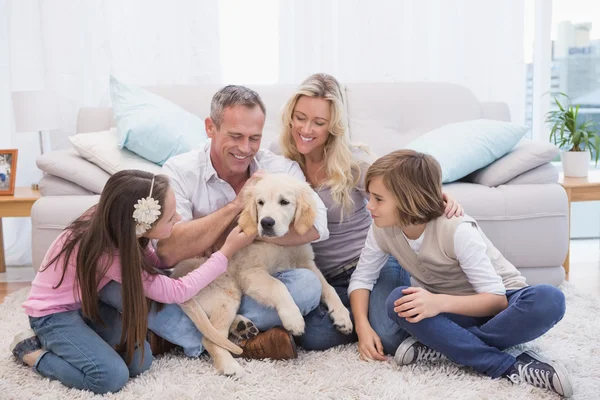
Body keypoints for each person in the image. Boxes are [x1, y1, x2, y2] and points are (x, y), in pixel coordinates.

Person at [100, 85, 331, 361]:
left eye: (254, 138)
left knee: (306, 287)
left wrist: (246, 234)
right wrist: (236, 206)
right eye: (235, 136)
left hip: (257, 277)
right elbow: (167, 250)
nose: (246, 149)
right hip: (203, 284)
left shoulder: (279, 168)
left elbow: (318, 225)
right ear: (210, 128)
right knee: (153, 289)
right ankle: (243, 339)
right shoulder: (180, 171)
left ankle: (185, 331)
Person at [349, 149, 573, 397]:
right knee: (398, 301)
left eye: (378, 199)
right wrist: (363, 327)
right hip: (453, 311)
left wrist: (436, 302)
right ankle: (508, 365)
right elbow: (362, 278)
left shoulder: (457, 229)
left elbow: (496, 301)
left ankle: (453, 347)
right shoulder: (381, 228)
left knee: (549, 299)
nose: (369, 206)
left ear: (408, 199)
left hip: (502, 304)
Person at [9, 170, 255, 394]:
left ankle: (76, 343)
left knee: (141, 361)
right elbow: (176, 292)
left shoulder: (118, 224)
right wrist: (225, 252)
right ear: (142, 224)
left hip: (86, 306)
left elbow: (155, 264)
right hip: (52, 315)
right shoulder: (110, 250)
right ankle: (32, 352)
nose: (179, 218)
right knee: (109, 377)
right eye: (170, 218)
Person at [275, 73, 463, 353]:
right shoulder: (278, 159)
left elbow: (398, 191)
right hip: (324, 277)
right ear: (290, 116)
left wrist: (441, 198)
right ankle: (374, 311)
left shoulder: (353, 162)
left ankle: (389, 311)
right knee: (312, 335)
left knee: (388, 338)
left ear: (334, 127)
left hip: (372, 264)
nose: (306, 128)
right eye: (300, 117)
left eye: (319, 122)